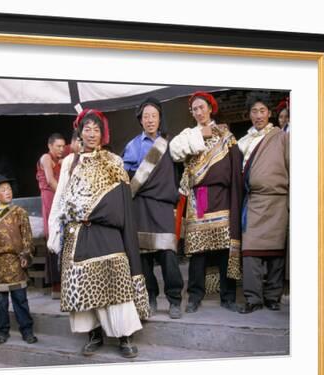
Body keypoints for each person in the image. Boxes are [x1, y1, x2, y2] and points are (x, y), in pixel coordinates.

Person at [48, 109, 150, 359]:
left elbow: (122, 202)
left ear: (103, 133)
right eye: (87, 129)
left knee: (116, 281)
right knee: (82, 285)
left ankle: (125, 336)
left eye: (96, 129)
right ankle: (93, 334)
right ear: (80, 133)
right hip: (78, 232)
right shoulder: (69, 163)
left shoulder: (114, 161)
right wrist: (54, 229)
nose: (91, 133)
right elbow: (60, 197)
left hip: (107, 232)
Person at [170, 91, 243, 313]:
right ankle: (194, 296)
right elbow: (175, 152)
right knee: (198, 249)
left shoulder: (226, 136)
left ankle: (228, 296)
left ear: (210, 109)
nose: (199, 112)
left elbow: (236, 167)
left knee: (223, 248)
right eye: (195, 109)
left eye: (202, 107)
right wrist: (200, 134)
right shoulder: (188, 135)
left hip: (222, 196)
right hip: (200, 196)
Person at [122, 97, 184, 319]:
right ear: (141, 120)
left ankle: (175, 299)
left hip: (163, 206)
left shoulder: (170, 144)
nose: (149, 120)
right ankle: (150, 296)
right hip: (140, 205)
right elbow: (126, 177)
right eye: (146, 116)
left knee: (168, 253)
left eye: (153, 116)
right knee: (144, 256)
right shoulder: (132, 146)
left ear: (160, 119)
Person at [237, 93, 289, 313]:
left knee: (276, 253)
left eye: (262, 111)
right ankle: (253, 298)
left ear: (269, 113)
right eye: (254, 111)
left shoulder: (281, 137)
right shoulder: (244, 141)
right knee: (250, 251)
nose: (258, 115)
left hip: (278, 201)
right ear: (249, 115)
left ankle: (272, 297)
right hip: (254, 201)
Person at [0, 175, 38, 344]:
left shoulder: (19, 212)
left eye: (9, 188)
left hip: (15, 261)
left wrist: (26, 255)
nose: (8, 192)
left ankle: (27, 330)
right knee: (0, 301)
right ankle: (2, 331)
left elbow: (27, 236)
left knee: (20, 299)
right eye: (3, 190)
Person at [36, 133, 66, 298]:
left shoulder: (63, 159)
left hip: (60, 199)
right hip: (50, 199)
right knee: (54, 237)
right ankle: (56, 286)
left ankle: (65, 283)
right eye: (58, 146)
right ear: (50, 146)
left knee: (65, 238)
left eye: (63, 146)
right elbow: (49, 180)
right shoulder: (46, 157)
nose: (61, 149)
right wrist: (65, 195)